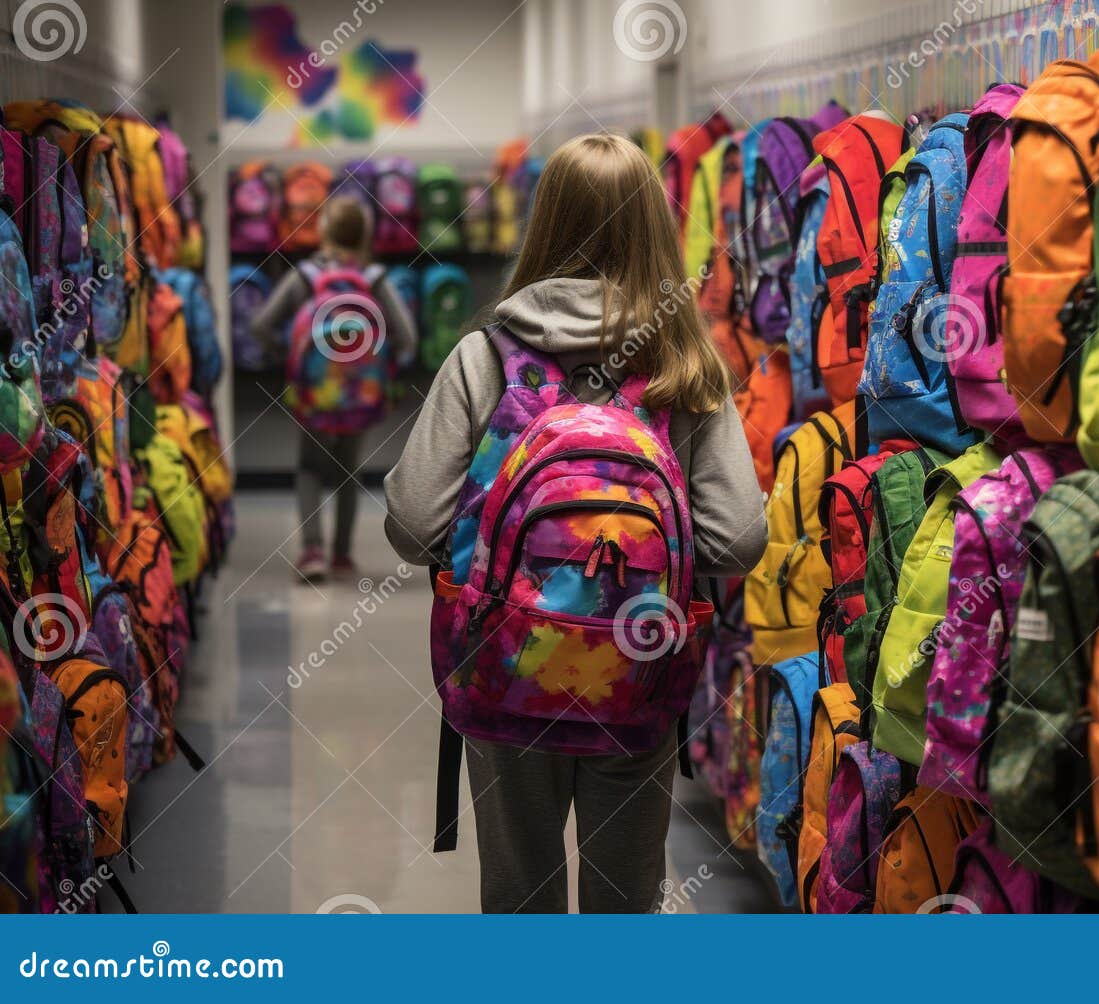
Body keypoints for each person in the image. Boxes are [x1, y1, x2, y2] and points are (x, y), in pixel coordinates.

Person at [384, 133, 766, 913]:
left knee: (521, 897)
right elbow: (736, 542)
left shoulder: (485, 357)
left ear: (545, 221)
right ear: (657, 230)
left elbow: (415, 524)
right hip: (639, 672)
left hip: (506, 667)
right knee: (624, 902)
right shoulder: (685, 365)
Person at [251, 195, 417, 583]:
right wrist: (382, 364)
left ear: (324, 231)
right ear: (363, 236)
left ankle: (312, 552)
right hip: (361, 394)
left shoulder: (306, 276)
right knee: (348, 470)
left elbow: (261, 324)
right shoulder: (375, 279)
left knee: (309, 466)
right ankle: (342, 554)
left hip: (314, 393)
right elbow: (407, 337)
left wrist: (287, 356)